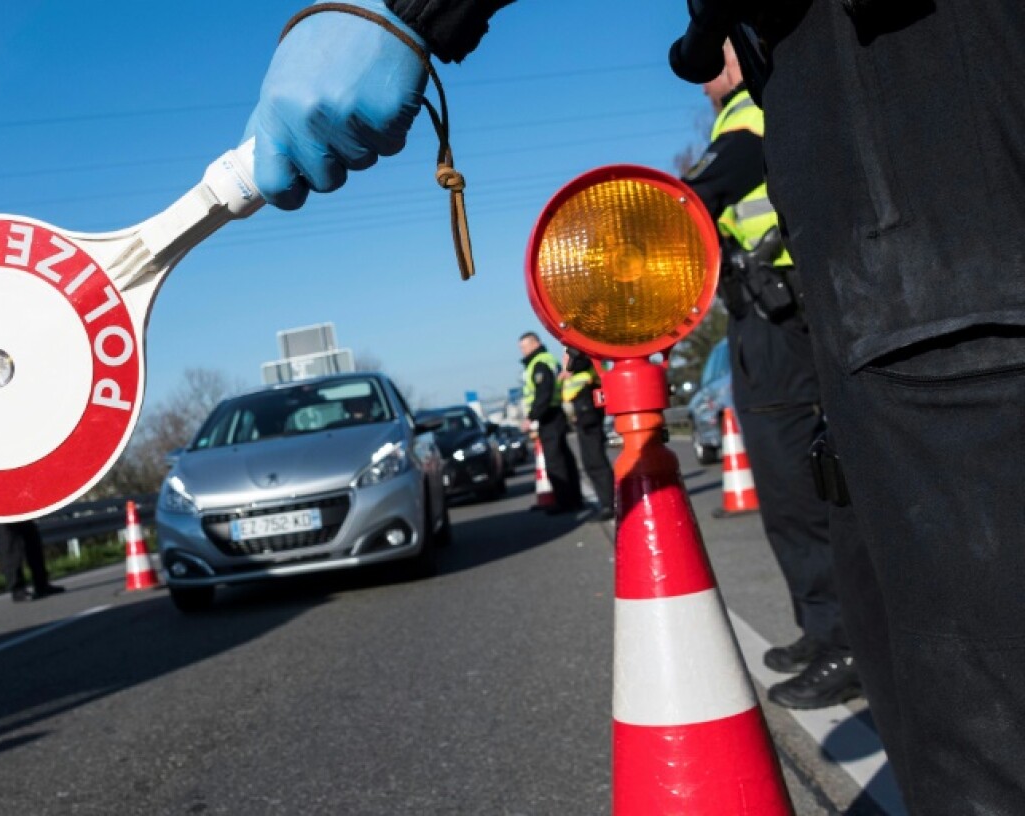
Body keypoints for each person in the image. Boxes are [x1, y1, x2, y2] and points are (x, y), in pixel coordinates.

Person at [243, 2, 1025, 810]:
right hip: (859, 264)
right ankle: (838, 641)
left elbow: (715, 181)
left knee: (981, 678)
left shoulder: (779, 106)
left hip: (918, 180)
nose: (708, 63)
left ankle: (845, 650)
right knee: (915, 632)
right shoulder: (776, 92)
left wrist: (406, 11)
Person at [680, 42, 858, 709]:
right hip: (760, 317)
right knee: (784, 493)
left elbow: (701, 194)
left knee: (798, 491)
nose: (706, 77)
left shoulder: (752, 112)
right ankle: (821, 628)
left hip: (783, 318)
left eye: (715, 56)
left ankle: (846, 642)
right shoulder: (733, 119)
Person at [518, 331, 584, 514]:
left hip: (549, 416)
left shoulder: (539, 363)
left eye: (524, 347)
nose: (522, 351)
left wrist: (532, 417)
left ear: (535, 344)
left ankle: (565, 501)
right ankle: (574, 499)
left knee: (555, 461)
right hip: (555, 414)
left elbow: (543, 393)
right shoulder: (547, 360)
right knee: (564, 458)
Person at [560, 348, 614, 521]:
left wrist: (569, 367)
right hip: (584, 409)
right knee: (591, 461)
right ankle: (607, 502)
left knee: (595, 460)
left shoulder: (581, 348)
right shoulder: (578, 347)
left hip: (588, 408)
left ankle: (609, 504)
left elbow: (582, 362)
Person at [0, 520, 64, 602]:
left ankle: (42, 585)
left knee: (33, 542)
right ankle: (18, 590)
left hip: (22, 514)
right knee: (11, 547)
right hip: (5, 517)